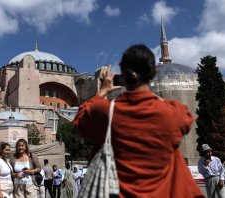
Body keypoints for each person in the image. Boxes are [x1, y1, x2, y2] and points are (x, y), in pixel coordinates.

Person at [73, 44, 204, 198]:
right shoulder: (173, 113)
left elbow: (78, 122)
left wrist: (102, 91)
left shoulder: (106, 112)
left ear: (122, 75)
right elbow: (186, 120)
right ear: (153, 72)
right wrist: (151, 94)